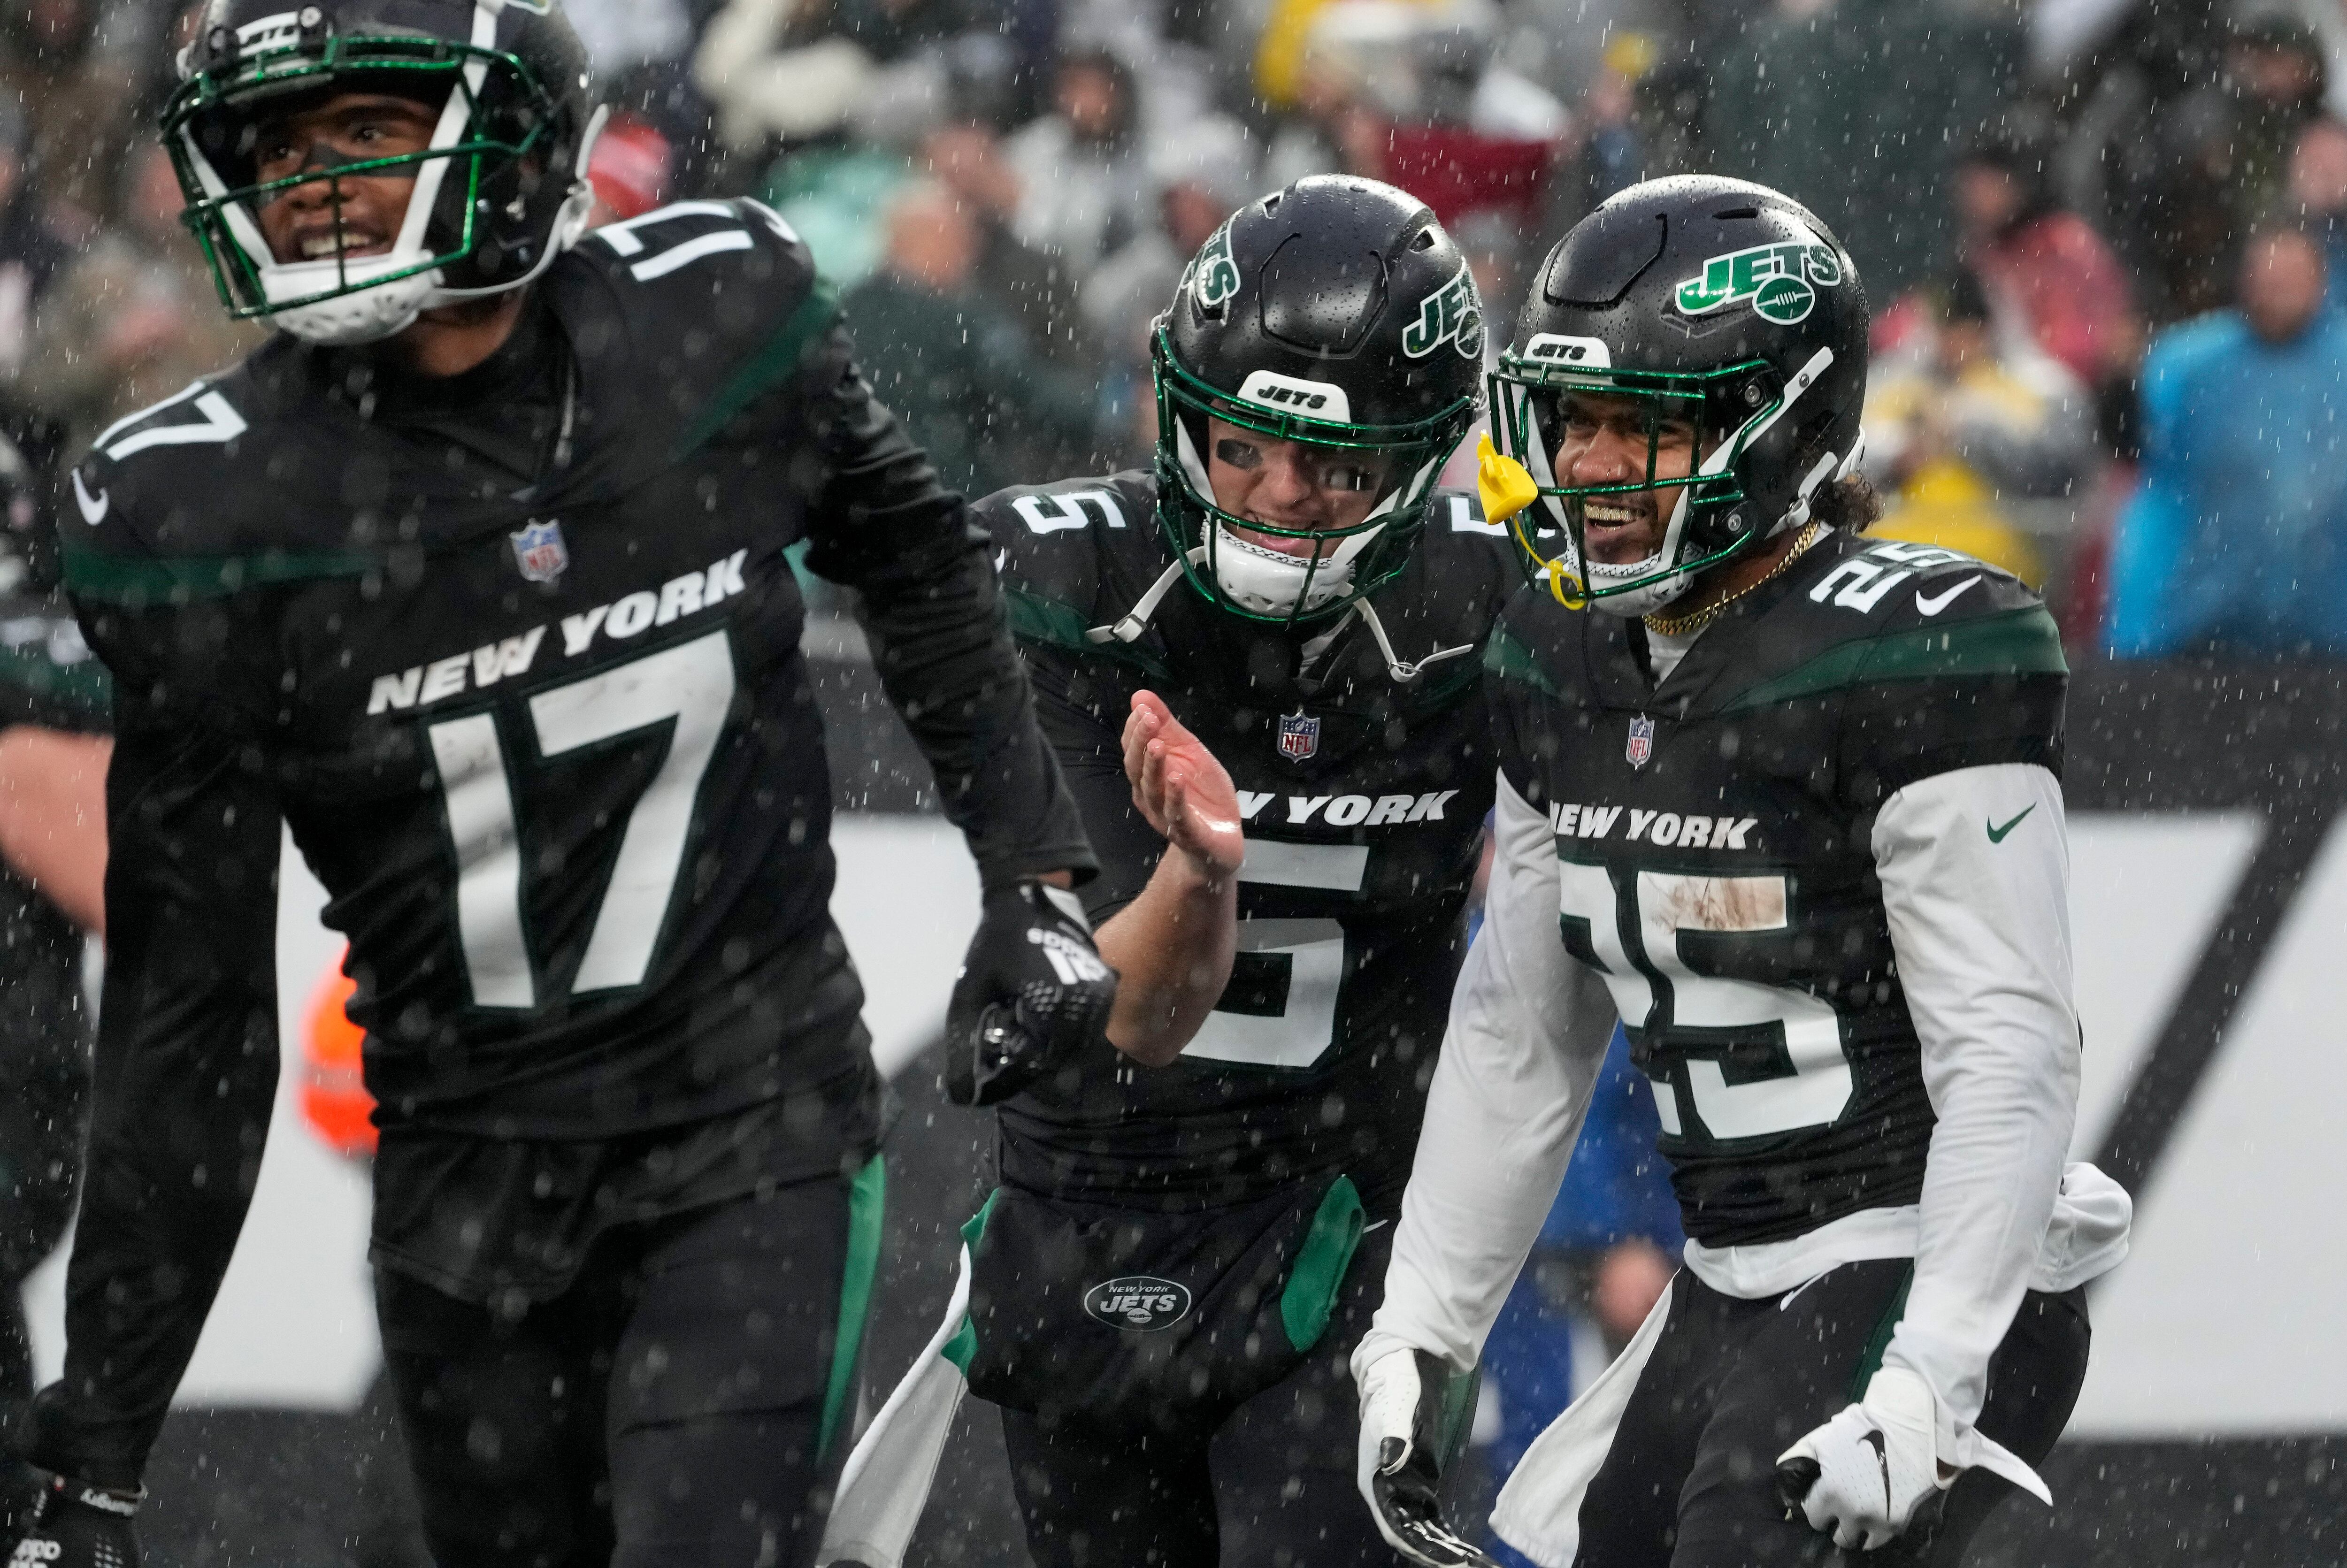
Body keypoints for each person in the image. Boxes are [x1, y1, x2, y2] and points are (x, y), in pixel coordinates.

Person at [14, 4, 1116, 1566]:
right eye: (278, 147)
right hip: (464, 1186)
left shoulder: (715, 320)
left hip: (751, 1127)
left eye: (364, 131)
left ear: (515, 132)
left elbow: (923, 567)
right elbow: (190, 1018)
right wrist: (103, 1449)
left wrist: (1034, 870)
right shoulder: (206, 513)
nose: (311, 182)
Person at [1351, 176, 2133, 1568]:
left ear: (1774, 428)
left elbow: (2009, 1047)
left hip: (1914, 1254)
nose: (1588, 464)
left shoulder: (1912, 651)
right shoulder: (1559, 656)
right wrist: (1426, 1322)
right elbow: (1519, 1027)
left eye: (1637, 428)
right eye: (1574, 420)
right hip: (1728, 1279)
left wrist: (1931, 1370)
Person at [960, 175, 1520, 1565]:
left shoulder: (1483, 603)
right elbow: (1127, 1013)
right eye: (1246, 445)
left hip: (1334, 1227)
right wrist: (1203, 871)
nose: (1279, 498)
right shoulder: (1064, 582)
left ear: (1423, 455)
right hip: (1085, 1204)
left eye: (1335, 466)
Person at [2105, 222, 2347, 658]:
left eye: (2291, 279)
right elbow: (2133, 453)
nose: (2277, 292)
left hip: (2328, 627)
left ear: (2322, 281)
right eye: (2267, 279)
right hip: (2194, 622)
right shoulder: (2185, 363)